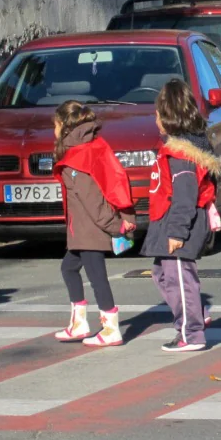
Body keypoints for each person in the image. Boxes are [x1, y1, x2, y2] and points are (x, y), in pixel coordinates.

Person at [141, 79, 221, 353]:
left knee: (179, 277)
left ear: (166, 118)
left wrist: (177, 232)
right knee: (161, 275)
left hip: (178, 225)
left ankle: (191, 332)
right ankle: (196, 312)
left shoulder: (181, 156)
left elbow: (185, 199)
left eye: (157, 114)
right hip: (168, 222)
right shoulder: (178, 149)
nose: (154, 120)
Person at [52, 102, 135, 347]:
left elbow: (92, 201)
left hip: (91, 230)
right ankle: (80, 324)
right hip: (83, 231)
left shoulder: (75, 161)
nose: (53, 131)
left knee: (97, 277)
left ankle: (110, 328)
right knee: (69, 268)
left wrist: (115, 226)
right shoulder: (91, 147)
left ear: (65, 127)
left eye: (55, 126)